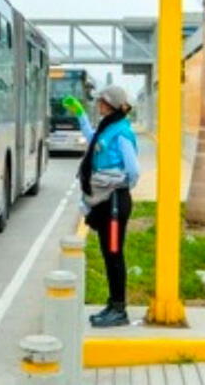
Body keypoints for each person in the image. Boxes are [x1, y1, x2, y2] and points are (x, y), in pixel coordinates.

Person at [65, 85, 139, 328]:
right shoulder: (107, 127)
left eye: (101, 102)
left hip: (115, 202)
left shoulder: (122, 133)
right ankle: (113, 303)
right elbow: (91, 137)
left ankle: (119, 310)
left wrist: (115, 184)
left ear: (110, 104)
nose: (97, 105)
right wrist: (79, 114)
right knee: (109, 254)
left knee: (115, 254)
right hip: (107, 201)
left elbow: (133, 171)